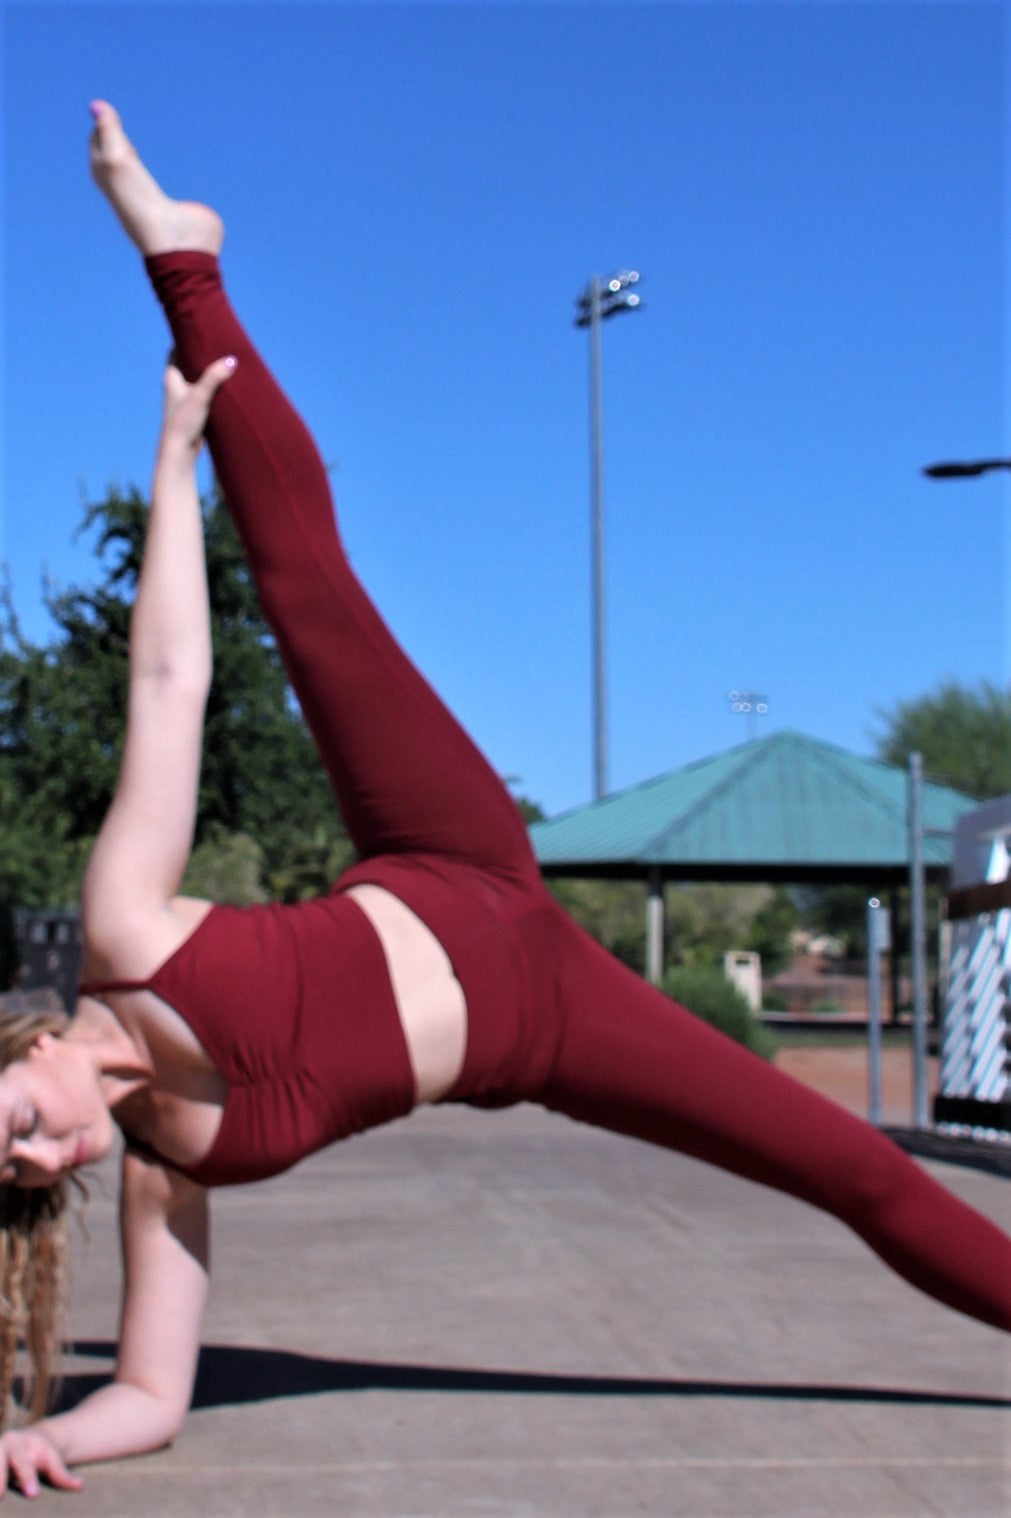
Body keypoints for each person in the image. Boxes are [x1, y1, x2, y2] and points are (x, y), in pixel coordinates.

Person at [0, 102, 1008, 1500]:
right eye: (33, 1170)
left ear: (28, 1041)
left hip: (444, 861)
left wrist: (175, 470)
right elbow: (156, 1393)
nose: (46, 1148)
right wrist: (52, 1431)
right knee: (849, 1168)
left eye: (16, 1119)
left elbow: (170, 674)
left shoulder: (126, 924)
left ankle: (184, 260)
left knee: (310, 592)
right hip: (537, 1024)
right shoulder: (172, 1164)